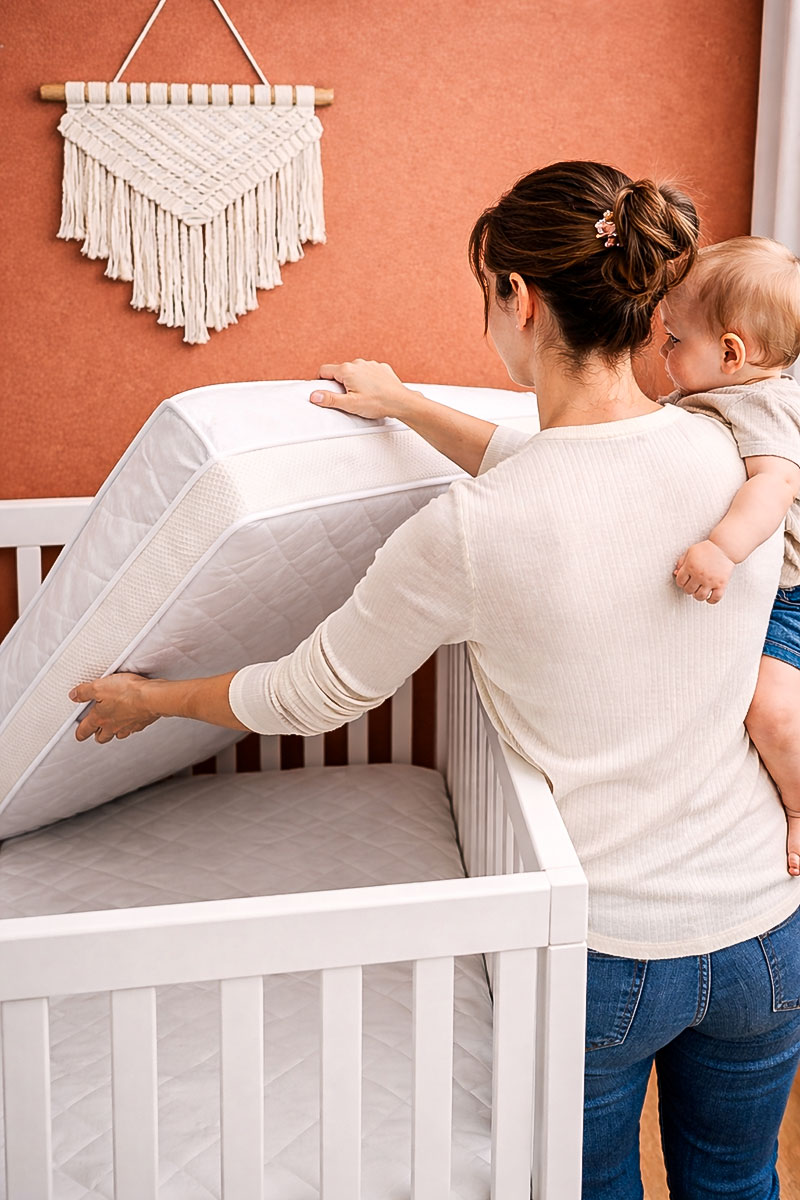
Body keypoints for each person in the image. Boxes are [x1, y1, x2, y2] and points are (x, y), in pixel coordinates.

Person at [70, 161, 800, 1199]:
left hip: (605, 950)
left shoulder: (470, 531)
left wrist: (150, 699)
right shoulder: (733, 455)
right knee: (737, 1183)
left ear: (518, 298)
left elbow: (312, 693)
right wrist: (407, 404)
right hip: (766, 925)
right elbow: (565, 467)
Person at [658, 236, 800, 875]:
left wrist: (723, 548)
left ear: (731, 353)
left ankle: (799, 805)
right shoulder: (719, 391)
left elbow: (774, 486)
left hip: (792, 598)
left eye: (674, 339)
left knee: (770, 707)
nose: (663, 351)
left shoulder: (764, 403)